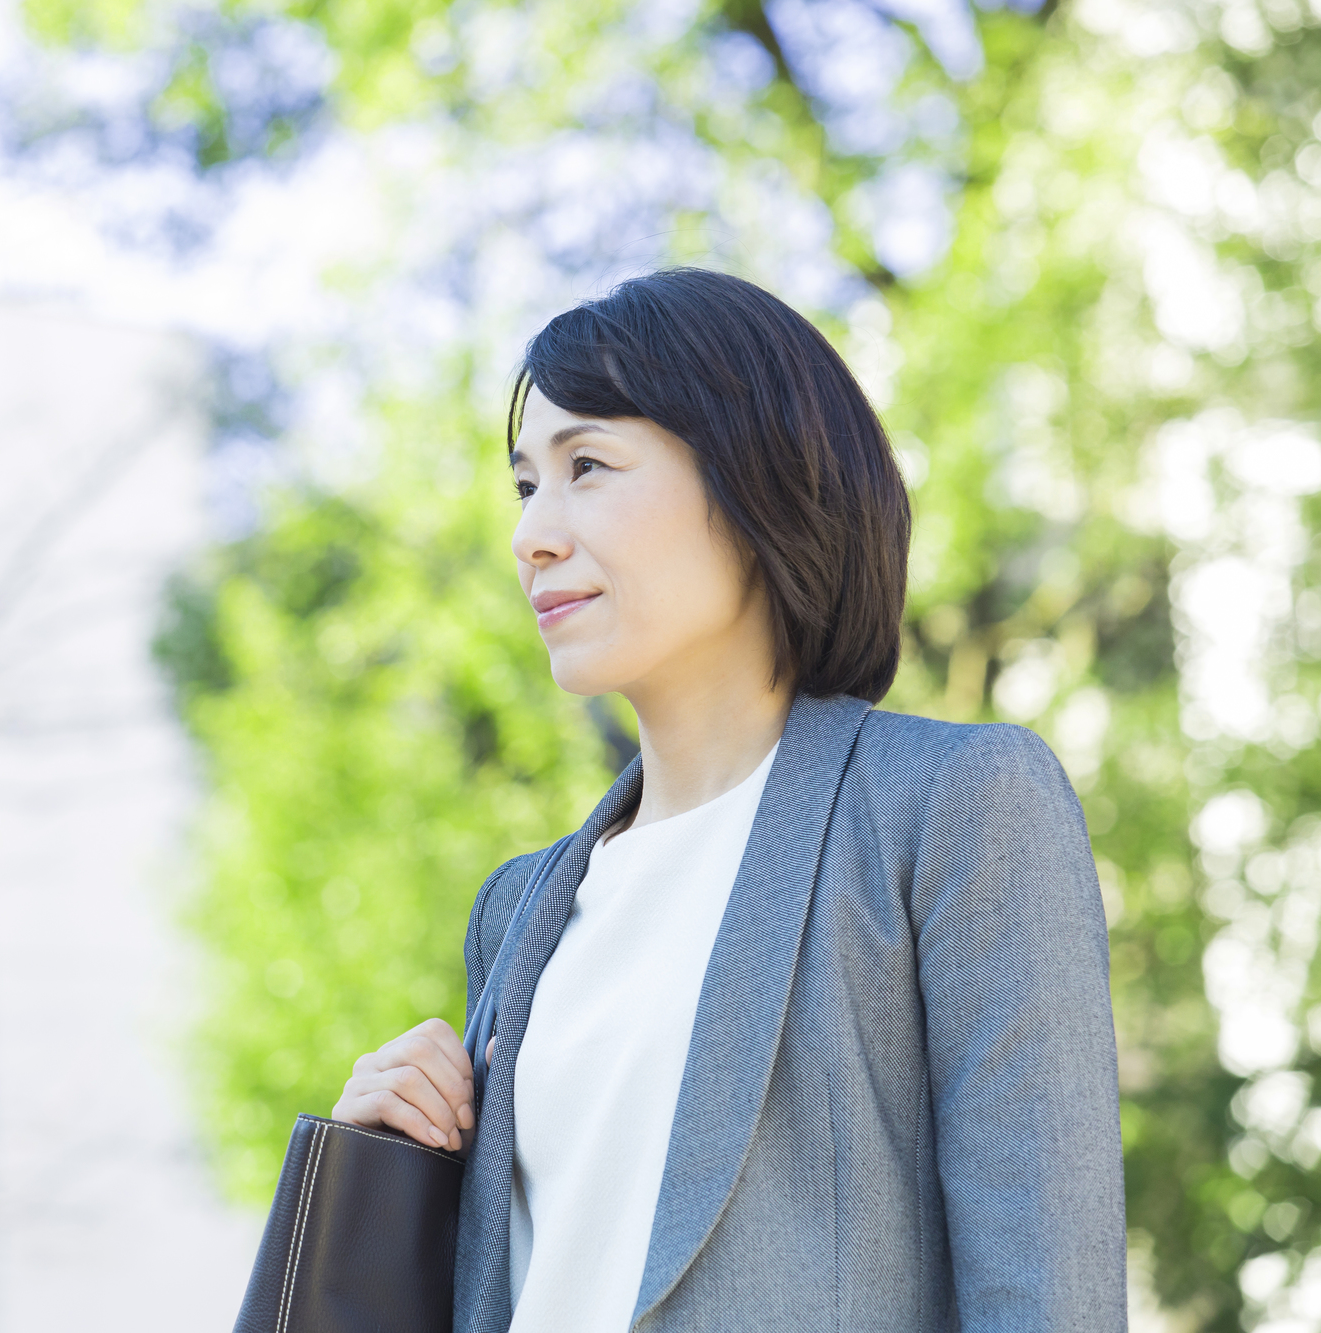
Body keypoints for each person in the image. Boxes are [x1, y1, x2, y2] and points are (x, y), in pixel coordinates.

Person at [329, 269, 1125, 1332]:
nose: (532, 534)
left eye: (587, 467)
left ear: (755, 485)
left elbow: (1048, 1300)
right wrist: (371, 1167)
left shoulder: (951, 810)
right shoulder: (516, 912)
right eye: (526, 485)